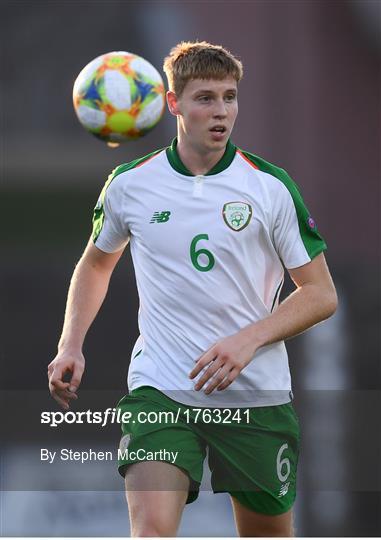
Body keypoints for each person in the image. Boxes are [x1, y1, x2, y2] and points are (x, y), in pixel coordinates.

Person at [48, 41, 338, 537]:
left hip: (255, 397)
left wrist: (248, 340)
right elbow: (95, 266)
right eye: (206, 98)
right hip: (161, 387)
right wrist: (70, 343)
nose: (221, 111)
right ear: (173, 103)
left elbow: (320, 294)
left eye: (230, 97)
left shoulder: (269, 187)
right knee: (154, 529)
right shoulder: (130, 184)